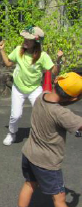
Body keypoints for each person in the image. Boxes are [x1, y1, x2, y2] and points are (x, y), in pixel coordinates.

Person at [18, 72, 82, 207]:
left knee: (29, 184)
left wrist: (73, 98)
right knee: (59, 198)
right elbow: (77, 124)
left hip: (29, 154)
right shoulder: (61, 113)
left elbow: (58, 102)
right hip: (47, 162)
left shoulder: (41, 96)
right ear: (72, 98)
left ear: (56, 83)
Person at [0, 26, 63, 146]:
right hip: (18, 88)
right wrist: (2, 49)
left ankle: (42, 135)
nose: (25, 41)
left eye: (29, 39)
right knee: (15, 115)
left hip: (34, 89)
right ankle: (11, 133)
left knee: (41, 113)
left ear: (36, 42)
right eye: (25, 38)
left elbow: (54, 72)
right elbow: (7, 63)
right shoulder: (18, 50)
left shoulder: (42, 56)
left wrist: (58, 60)